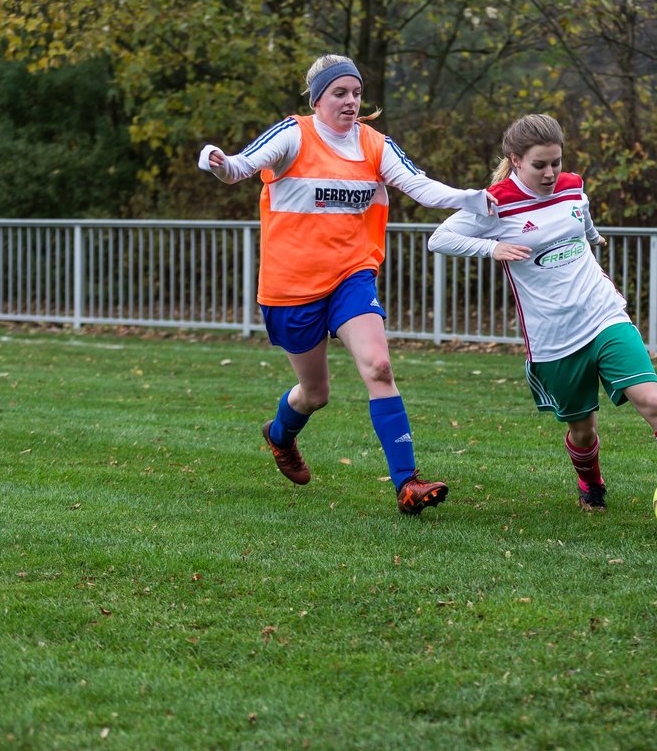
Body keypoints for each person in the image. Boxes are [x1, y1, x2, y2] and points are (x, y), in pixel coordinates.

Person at [199, 53, 492, 515]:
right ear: (318, 99)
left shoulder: (375, 145)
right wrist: (218, 161)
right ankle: (280, 436)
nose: (351, 101)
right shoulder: (293, 134)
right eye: (340, 92)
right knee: (315, 394)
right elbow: (239, 168)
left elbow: (419, 186)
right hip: (291, 285)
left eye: (356, 92)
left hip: (352, 275)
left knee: (379, 366)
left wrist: (471, 199)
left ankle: (407, 483)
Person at [427, 114, 657, 518]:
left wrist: (591, 236)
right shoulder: (495, 203)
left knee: (653, 402)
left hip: (603, 314)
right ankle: (591, 484)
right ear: (514, 160)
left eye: (556, 163)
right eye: (539, 165)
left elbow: (580, 216)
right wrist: (490, 249)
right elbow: (438, 238)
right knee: (583, 430)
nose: (551, 174)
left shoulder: (572, 186)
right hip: (553, 339)